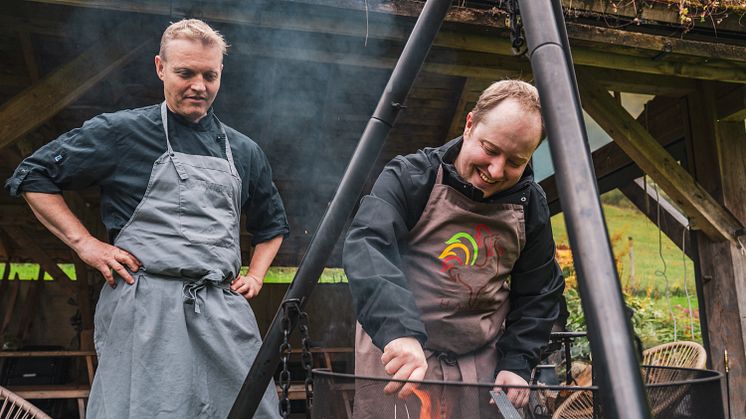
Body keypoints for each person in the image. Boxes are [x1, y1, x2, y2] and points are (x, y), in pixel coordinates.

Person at [5, 19, 287, 419]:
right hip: (146, 306)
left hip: (221, 309)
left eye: (210, 75)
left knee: (247, 409)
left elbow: (272, 224)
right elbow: (34, 176)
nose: (199, 86)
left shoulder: (243, 151)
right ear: (160, 68)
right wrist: (86, 245)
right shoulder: (121, 131)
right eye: (185, 73)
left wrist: (256, 275)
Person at [344, 80, 565, 418]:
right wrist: (398, 330)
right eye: (490, 150)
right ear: (470, 124)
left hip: (479, 369)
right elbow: (368, 245)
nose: (495, 171)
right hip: (400, 358)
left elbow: (539, 291)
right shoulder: (411, 177)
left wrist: (517, 361)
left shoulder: (530, 204)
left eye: (515, 161)